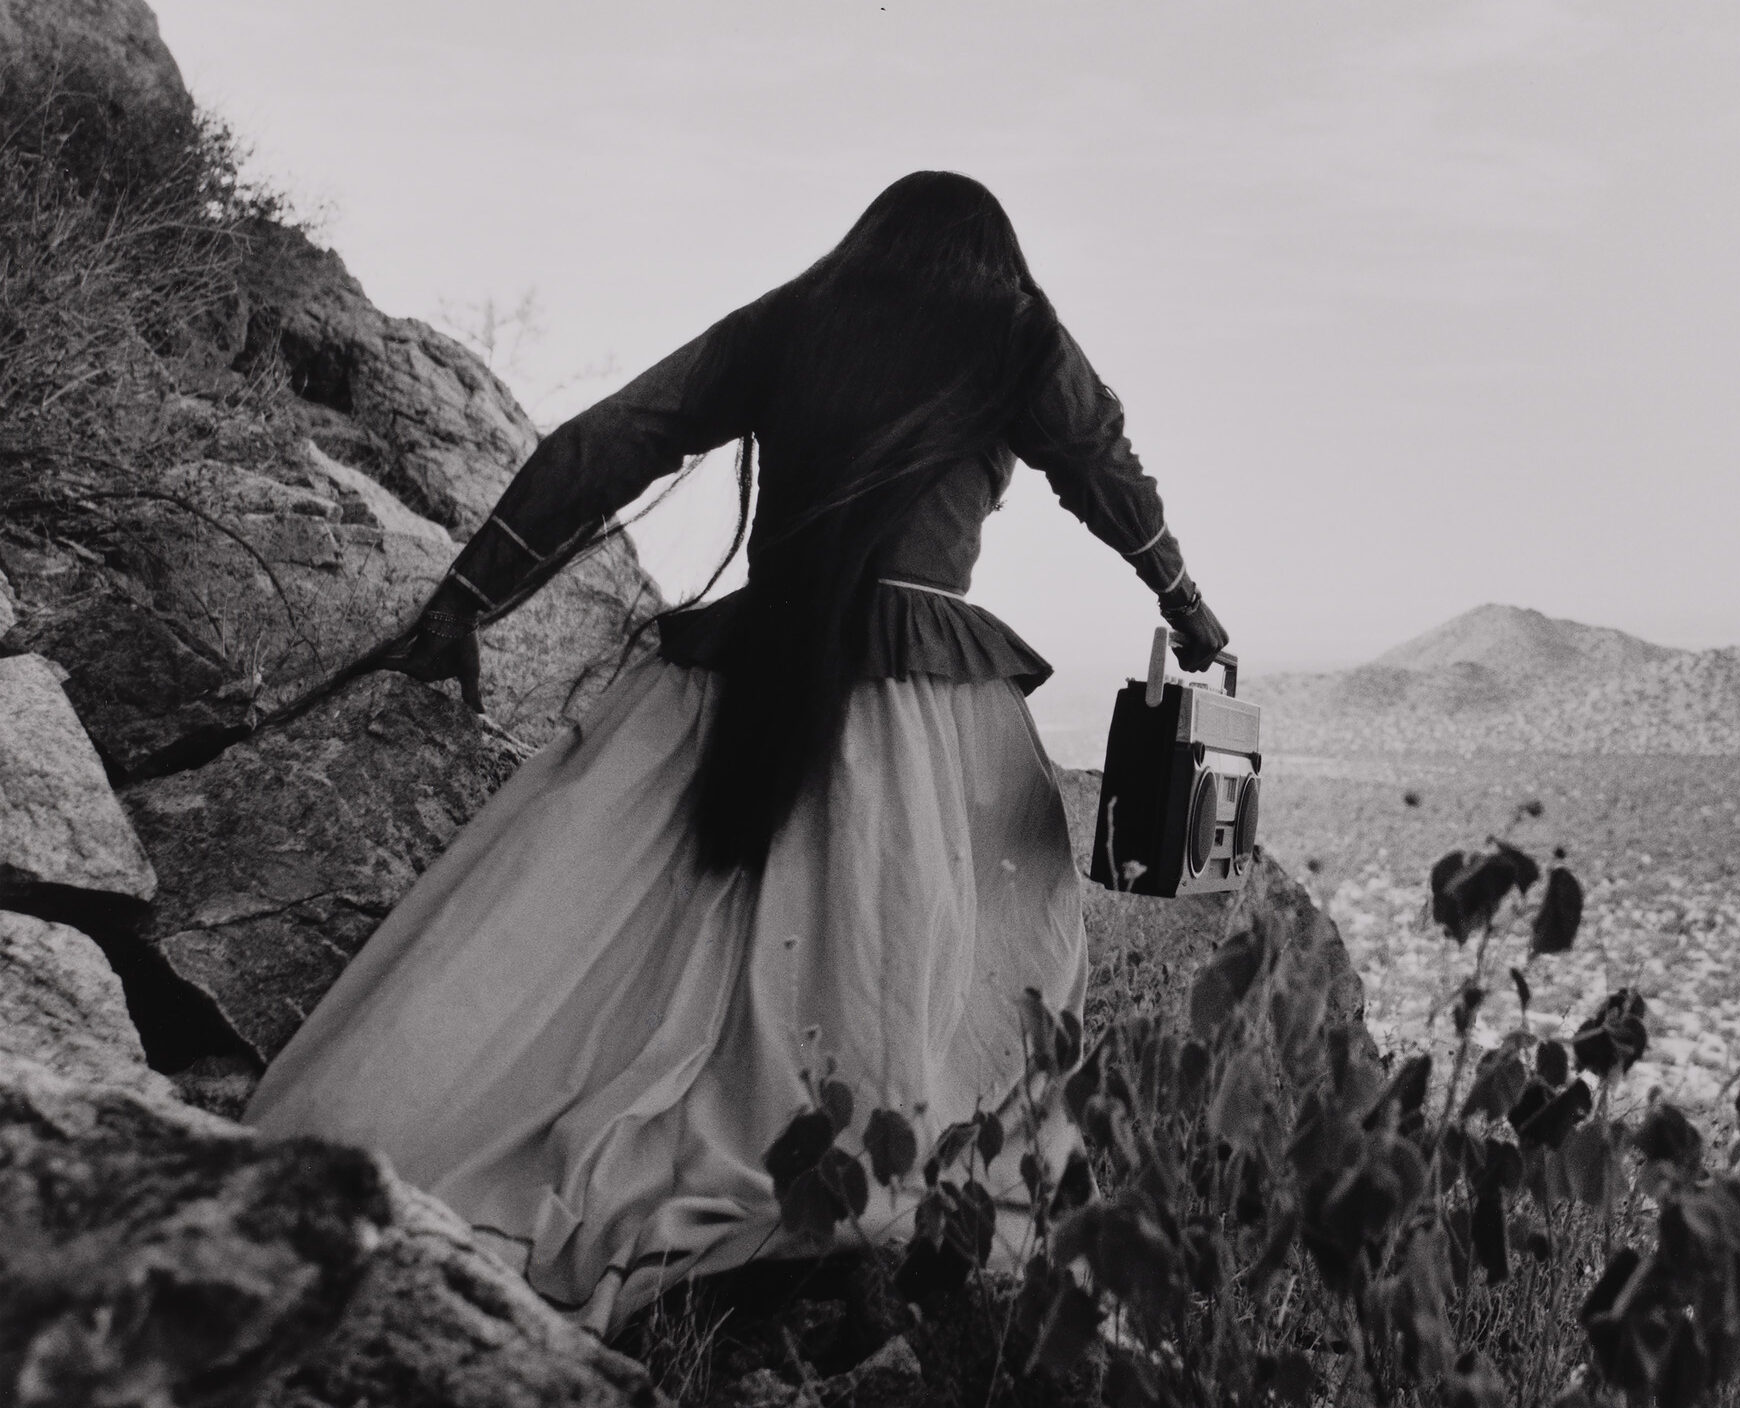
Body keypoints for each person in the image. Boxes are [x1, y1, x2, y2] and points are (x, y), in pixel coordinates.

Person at [244, 171, 1227, 1335]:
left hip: (739, 674)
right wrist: (1189, 606)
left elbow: (611, 441)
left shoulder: (797, 317)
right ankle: (863, 1187)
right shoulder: (1014, 332)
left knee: (618, 937)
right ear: (995, 261)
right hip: (919, 701)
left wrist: (469, 596)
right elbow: (1103, 464)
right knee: (970, 946)